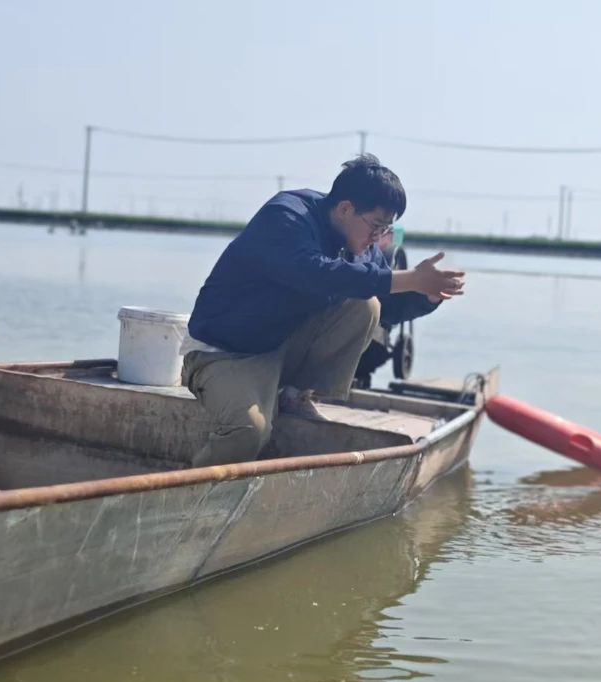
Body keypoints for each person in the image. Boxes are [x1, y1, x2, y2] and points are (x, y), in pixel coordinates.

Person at [182, 154, 466, 467]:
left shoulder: (362, 247)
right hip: (225, 352)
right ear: (345, 209)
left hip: (280, 347)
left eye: (386, 228)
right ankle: (192, 494)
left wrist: (425, 295)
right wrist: (409, 278)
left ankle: (295, 395)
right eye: (375, 225)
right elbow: (316, 273)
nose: (377, 237)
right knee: (248, 432)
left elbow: (383, 306)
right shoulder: (286, 216)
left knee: (366, 304)